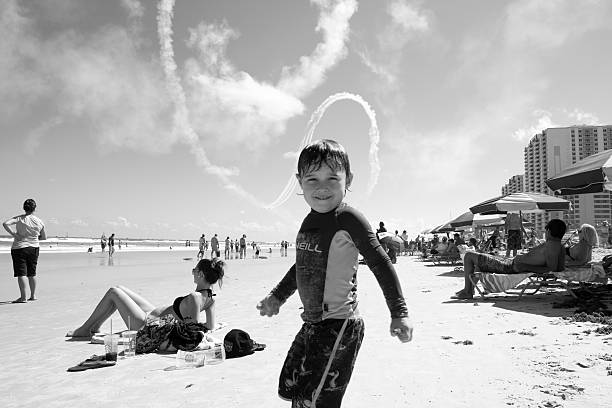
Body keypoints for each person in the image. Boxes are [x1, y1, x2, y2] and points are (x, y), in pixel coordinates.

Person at [256, 139, 413, 407]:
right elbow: (303, 266)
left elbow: (380, 263)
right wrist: (277, 296)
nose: (322, 187)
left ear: (348, 179)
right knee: (294, 388)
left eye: (332, 177)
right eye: (312, 179)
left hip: (340, 324)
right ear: (299, 181)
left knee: (318, 400)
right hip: (312, 322)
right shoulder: (309, 221)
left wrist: (399, 313)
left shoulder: (349, 218)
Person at [67, 258, 225, 342]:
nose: (192, 273)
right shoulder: (210, 298)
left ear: (201, 275)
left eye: (194, 270)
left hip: (145, 325)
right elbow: (209, 325)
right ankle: (95, 327)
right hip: (154, 314)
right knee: (120, 287)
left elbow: (192, 331)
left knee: (113, 292)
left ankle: (85, 329)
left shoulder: (195, 297)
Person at [452, 219, 567, 300]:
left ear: (549, 231)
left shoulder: (551, 245)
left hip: (510, 267)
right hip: (510, 263)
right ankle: (469, 289)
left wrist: (526, 267)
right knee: (478, 259)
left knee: (469, 256)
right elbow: (559, 267)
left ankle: (467, 291)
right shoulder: (559, 246)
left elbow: (551, 268)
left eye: (546, 230)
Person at [3, 199, 46, 303]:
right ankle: (33, 295)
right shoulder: (39, 221)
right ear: (35, 208)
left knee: (21, 273)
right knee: (32, 273)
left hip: (19, 247)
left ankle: (23, 297)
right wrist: (33, 238)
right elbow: (43, 237)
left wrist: (14, 234)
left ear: (24, 207)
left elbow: (5, 223)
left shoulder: (19, 218)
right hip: (34, 248)